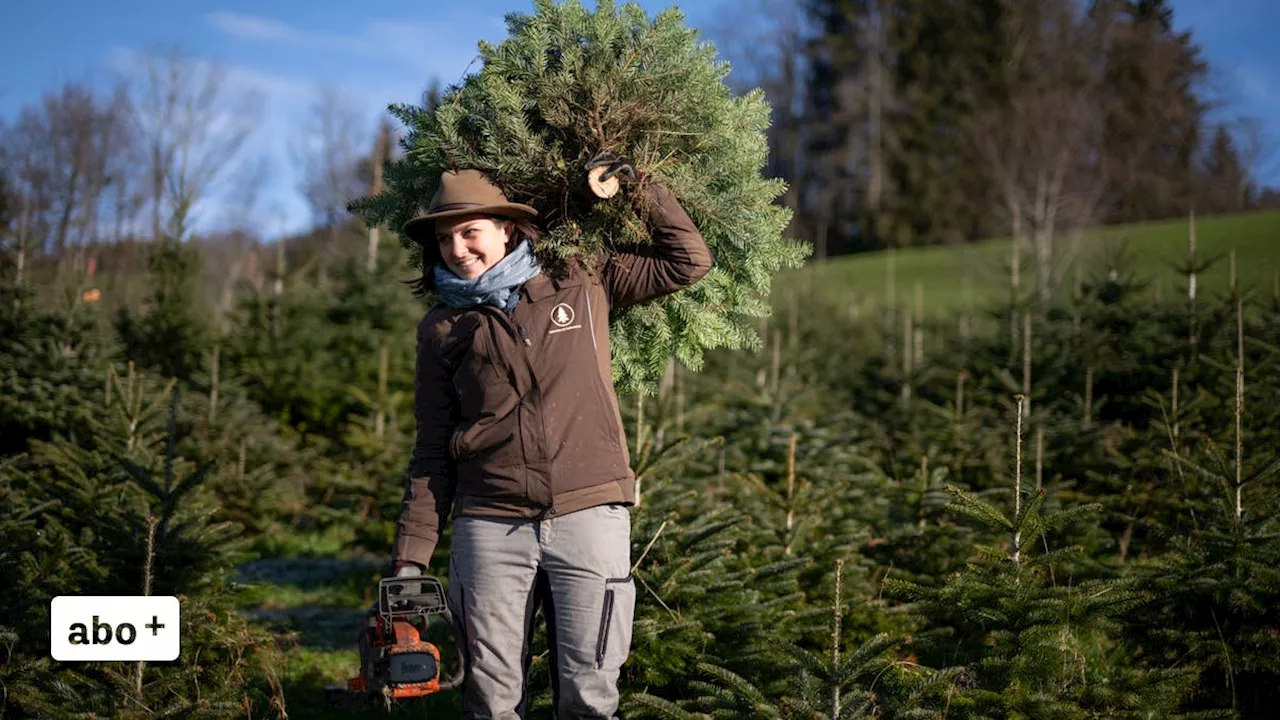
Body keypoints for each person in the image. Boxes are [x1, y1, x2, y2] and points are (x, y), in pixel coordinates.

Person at [390, 157, 713, 719]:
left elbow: (688, 260)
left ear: (506, 228)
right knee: (490, 702)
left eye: (471, 232)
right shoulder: (442, 326)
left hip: (589, 515)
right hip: (488, 525)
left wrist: (632, 182)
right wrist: (410, 559)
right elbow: (432, 445)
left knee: (589, 697)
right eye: (446, 239)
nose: (458, 249)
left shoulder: (581, 279)